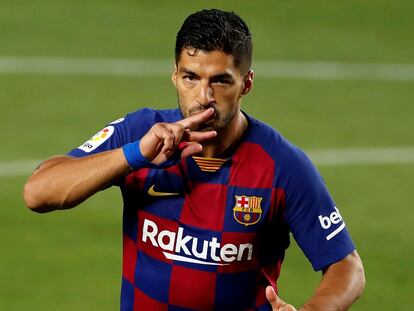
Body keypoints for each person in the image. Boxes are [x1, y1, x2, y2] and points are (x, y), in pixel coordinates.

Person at [23, 8, 365, 311]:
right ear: (174, 74)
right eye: (191, 77)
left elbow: (347, 267)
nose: (204, 96)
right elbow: (38, 192)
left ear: (246, 84)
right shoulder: (141, 132)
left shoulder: (281, 165)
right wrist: (134, 155)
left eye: (220, 81)